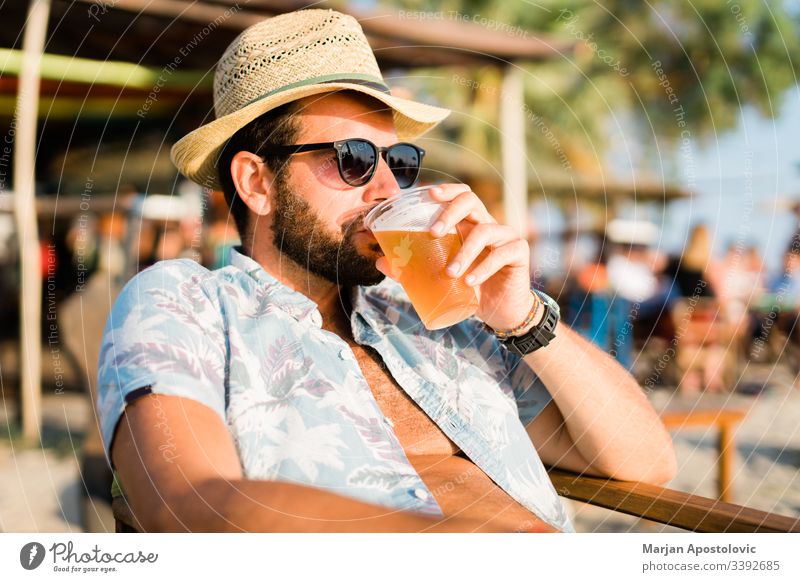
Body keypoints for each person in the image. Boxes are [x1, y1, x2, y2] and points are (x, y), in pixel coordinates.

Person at [97, 9, 675, 533]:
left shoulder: (437, 322)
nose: (388, 188)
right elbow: (190, 504)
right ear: (257, 182)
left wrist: (522, 317)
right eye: (352, 159)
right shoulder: (186, 303)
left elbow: (648, 464)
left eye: (399, 161)